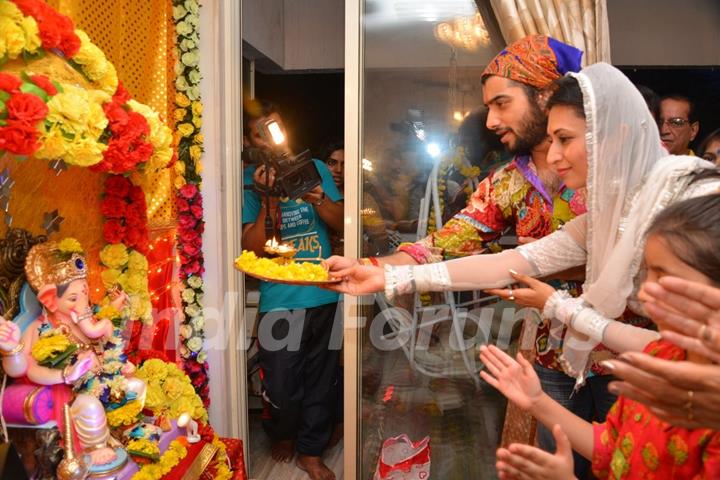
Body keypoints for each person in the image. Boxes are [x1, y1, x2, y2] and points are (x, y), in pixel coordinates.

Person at [327, 62, 719, 460]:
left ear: (615, 137)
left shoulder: (691, 197)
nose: (556, 154)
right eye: (552, 140)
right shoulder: (603, 210)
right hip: (584, 361)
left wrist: (558, 305)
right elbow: (512, 261)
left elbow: (683, 347)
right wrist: (387, 277)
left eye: (565, 139)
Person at [326, 35, 595, 477]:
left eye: (501, 103)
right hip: (555, 355)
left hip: (627, 356)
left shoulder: (611, 167)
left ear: (546, 94)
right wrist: (372, 268)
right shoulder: (508, 182)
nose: (490, 120)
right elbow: (446, 243)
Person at [485, 193, 720, 479]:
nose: (644, 292)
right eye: (647, 273)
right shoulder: (664, 355)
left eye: (662, 275)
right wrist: (537, 401)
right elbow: (615, 446)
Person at [242, 102, 344, 480]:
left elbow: (338, 220)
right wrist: (268, 199)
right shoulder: (251, 181)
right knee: (282, 384)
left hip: (323, 292)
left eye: (274, 128)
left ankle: (311, 451)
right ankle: (282, 432)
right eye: (259, 132)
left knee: (322, 379)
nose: (269, 137)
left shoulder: (315, 169)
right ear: (249, 141)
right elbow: (252, 246)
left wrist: (316, 195)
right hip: (279, 298)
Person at [603, 275, 720, 430]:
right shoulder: (659, 351)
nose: (641, 294)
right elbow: (609, 444)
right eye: (647, 271)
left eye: (661, 275)